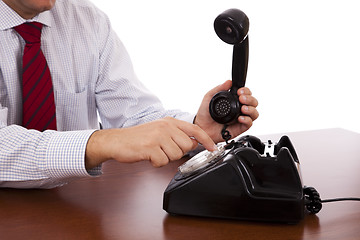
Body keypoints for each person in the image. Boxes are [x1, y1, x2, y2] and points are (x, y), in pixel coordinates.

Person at [0, 0, 259, 189]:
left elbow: (132, 117)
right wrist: (102, 142)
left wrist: (194, 129)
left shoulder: (87, 20)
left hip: (76, 208)